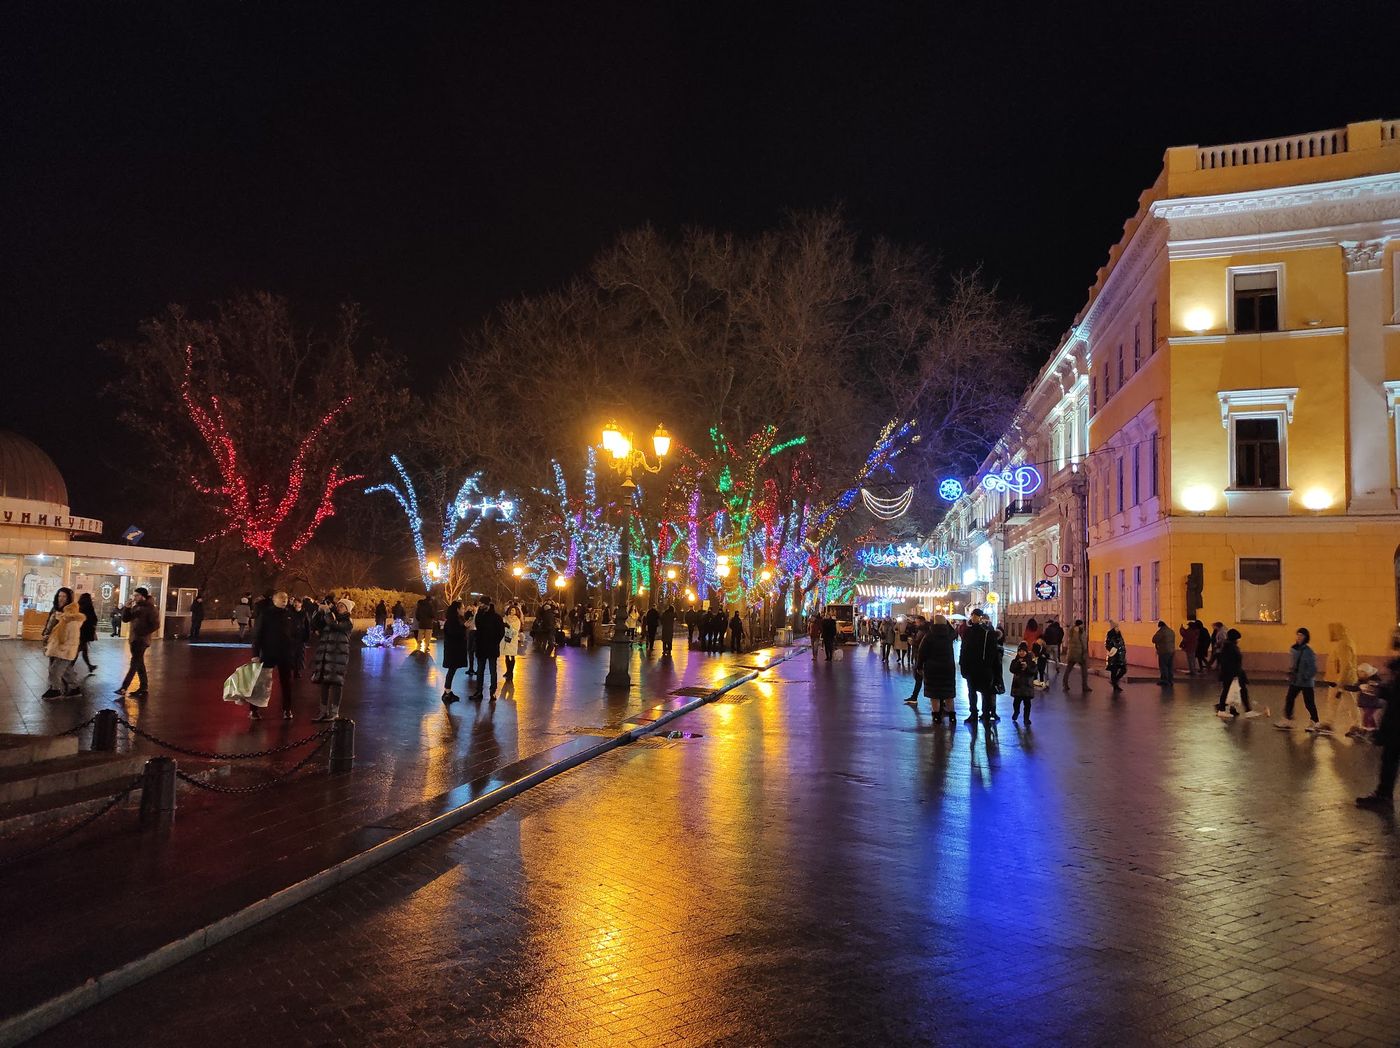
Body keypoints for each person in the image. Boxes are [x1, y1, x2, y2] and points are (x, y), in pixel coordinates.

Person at [1356, 629, 1400, 812]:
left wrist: (1381, 691)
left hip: (1397, 722)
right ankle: (1383, 795)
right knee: (1389, 757)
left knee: (1390, 757)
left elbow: (1398, 695)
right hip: (1395, 720)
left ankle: (1383, 796)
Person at [251, 591, 298, 720]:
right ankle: (254, 709)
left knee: (286, 683)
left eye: (286, 598)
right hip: (268, 652)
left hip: (285, 654)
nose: (284, 600)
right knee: (261, 682)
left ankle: (287, 709)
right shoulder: (266, 614)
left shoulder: (290, 614)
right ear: (274, 600)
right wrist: (255, 654)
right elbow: (257, 634)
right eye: (281, 598)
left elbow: (295, 633)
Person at [310, 598, 354, 722]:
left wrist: (328, 612)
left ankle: (334, 712)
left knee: (336, 684)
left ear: (347, 609)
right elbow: (315, 624)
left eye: (342, 606)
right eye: (338, 605)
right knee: (324, 683)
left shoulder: (348, 621)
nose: (339, 607)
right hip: (325, 657)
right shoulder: (332, 618)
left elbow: (335, 626)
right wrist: (320, 612)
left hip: (338, 657)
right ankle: (323, 711)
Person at [115, 586, 160, 698]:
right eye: (134, 595)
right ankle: (144, 687)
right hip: (134, 639)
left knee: (134, 663)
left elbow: (155, 624)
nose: (134, 597)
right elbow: (125, 619)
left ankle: (124, 687)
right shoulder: (136, 607)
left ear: (143, 596)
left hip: (141, 640)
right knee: (139, 663)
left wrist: (142, 632)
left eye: (136, 595)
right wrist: (127, 608)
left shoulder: (150, 608)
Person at [42, 587, 84, 699]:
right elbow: (51, 624)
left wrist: (65, 645)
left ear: (69, 598)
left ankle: (55, 689)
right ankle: (75, 688)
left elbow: (73, 631)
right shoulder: (57, 610)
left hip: (65, 646)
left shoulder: (71, 614)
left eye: (64, 596)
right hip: (55, 644)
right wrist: (46, 634)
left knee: (54, 669)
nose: (61, 598)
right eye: (59, 596)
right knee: (66, 670)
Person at [1276, 627, 1320, 731]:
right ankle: (1288, 719)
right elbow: (1294, 664)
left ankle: (1315, 721)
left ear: (1306, 637)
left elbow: (1313, 668)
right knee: (1289, 699)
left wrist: (1305, 676)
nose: (1299, 637)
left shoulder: (1308, 652)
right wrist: (1291, 673)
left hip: (1306, 682)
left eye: (1301, 635)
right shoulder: (1295, 649)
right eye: (1298, 635)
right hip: (1296, 680)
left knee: (1309, 702)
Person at [1318, 622, 1358, 736]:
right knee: (1337, 701)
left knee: (1345, 702)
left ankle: (1355, 724)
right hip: (1339, 679)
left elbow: (1346, 665)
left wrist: (1340, 683)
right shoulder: (1345, 642)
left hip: (1340, 680)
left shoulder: (1343, 644)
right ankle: (1329, 723)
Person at [959, 608, 997, 723]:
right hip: (971, 668)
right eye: (973, 615)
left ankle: (985, 713)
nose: (973, 617)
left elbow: (992, 651)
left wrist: (988, 665)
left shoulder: (987, 632)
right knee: (972, 692)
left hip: (983, 668)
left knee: (985, 692)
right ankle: (973, 713)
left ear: (980, 617)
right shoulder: (968, 631)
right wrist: (963, 664)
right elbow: (963, 649)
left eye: (976, 616)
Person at [917, 613, 958, 721]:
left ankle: (936, 716)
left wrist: (919, 666)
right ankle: (952, 716)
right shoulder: (949, 635)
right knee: (949, 694)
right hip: (948, 668)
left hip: (932, 668)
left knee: (934, 694)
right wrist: (946, 623)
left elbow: (922, 652)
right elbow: (954, 632)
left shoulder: (929, 636)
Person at [1215, 628, 1262, 718]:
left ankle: (1238, 710)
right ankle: (1222, 710)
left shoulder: (1228, 646)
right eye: (1238, 638)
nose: (1239, 640)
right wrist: (1235, 674)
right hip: (1232, 673)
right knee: (1231, 691)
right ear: (1234, 638)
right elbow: (1230, 662)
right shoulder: (1230, 647)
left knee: (1235, 690)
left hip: (1232, 673)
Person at [471, 599, 505, 699]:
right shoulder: (479, 615)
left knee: (492, 670)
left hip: (491, 647)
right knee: (480, 670)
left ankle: (492, 691)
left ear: (487, 604)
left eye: (482, 603)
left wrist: (495, 642)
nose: (480, 605)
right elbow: (478, 628)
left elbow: (501, 632)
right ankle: (479, 691)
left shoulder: (496, 617)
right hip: (482, 646)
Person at [441, 601, 468, 705]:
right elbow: (455, 633)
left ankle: (447, 691)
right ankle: (447, 692)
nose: (463, 610)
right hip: (453, 650)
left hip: (453, 650)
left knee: (452, 670)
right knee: (452, 670)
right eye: (462, 608)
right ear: (457, 609)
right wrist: (464, 627)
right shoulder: (453, 621)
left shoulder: (455, 620)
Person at [1010, 642, 1037, 725]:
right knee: (1016, 703)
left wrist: (1027, 668)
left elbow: (1034, 671)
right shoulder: (1015, 660)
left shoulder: (1031, 662)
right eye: (1020, 651)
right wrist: (1018, 664)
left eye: (1023, 651)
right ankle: (1016, 712)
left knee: (1027, 704)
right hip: (1017, 686)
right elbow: (1012, 669)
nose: (1021, 653)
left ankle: (1026, 718)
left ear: (1026, 652)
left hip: (1027, 687)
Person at [904, 615, 929, 704]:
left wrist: (912, 642)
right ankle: (914, 696)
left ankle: (915, 697)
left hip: (922, 658)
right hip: (920, 657)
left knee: (921, 678)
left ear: (922, 622)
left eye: (917, 622)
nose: (916, 624)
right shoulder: (923, 630)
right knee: (919, 679)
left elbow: (921, 644)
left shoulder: (923, 631)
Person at [1062, 619, 1090, 692]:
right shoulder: (1081, 631)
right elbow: (1083, 642)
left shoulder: (1071, 631)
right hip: (1079, 653)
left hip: (1071, 653)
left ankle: (1065, 684)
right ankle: (1085, 686)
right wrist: (1085, 651)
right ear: (1080, 624)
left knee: (1068, 669)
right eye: (1082, 624)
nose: (1083, 625)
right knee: (1084, 670)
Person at [76, 591, 99, 672]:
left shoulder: (78, 607)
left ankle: (89, 666)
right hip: (86, 632)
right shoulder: (89, 607)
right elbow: (94, 619)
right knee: (79, 650)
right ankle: (68, 667)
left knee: (84, 650)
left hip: (79, 631)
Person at [501, 602, 523, 680]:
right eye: (510, 610)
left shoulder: (517, 620)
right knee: (506, 656)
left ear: (516, 611)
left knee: (512, 656)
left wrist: (508, 626)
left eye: (513, 610)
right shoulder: (505, 618)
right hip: (506, 639)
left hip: (512, 640)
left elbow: (516, 630)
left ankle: (511, 672)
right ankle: (508, 671)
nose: (511, 611)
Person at [1152, 620, 1176, 686]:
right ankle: (1170, 680)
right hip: (1172, 651)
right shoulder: (1171, 631)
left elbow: (1154, 639)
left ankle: (1164, 680)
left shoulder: (1161, 632)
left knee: (1163, 666)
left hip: (1164, 651)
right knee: (1170, 666)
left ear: (1160, 626)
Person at [1105, 620, 1127, 692]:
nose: (1118, 628)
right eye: (1116, 627)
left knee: (1123, 670)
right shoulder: (1110, 634)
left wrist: (1123, 651)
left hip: (1121, 656)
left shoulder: (1119, 634)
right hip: (1114, 656)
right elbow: (1107, 644)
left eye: (1118, 627)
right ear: (1114, 628)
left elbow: (1122, 643)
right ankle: (1115, 685)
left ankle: (1114, 681)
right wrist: (1112, 649)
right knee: (1114, 671)